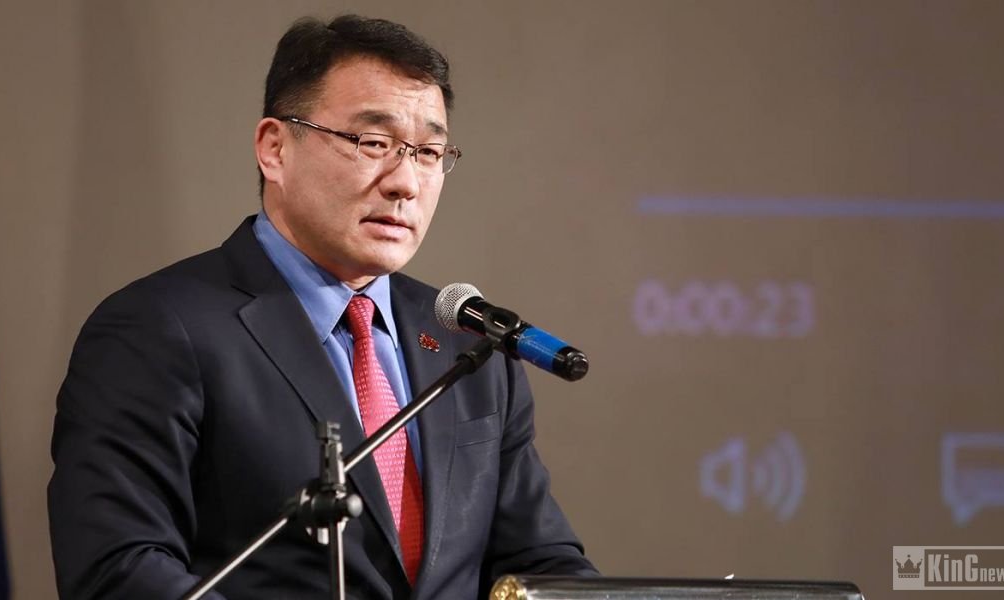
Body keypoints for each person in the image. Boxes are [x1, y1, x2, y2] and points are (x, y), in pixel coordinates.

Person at [48, 14, 596, 600]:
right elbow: (119, 569)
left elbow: (538, 564)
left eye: (429, 152)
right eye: (374, 143)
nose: (406, 183)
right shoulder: (156, 329)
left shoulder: (471, 346)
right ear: (275, 149)